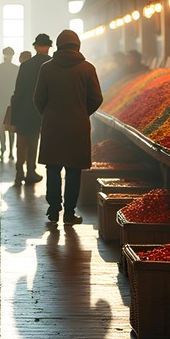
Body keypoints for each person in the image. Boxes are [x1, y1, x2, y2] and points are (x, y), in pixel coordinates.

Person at [33, 29, 103, 225]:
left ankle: (54, 209)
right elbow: (97, 98)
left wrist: (48, 115)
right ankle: (70, 213)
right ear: (78, 46)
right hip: (77, 126)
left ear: (58, 46)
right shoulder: (87, 68)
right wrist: (82, 112)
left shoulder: (46, 68)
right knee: (74, 170)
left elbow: (38, 98)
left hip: (52, 125)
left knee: (52, 168)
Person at [10, 33, 52, 186]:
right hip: (42, 111)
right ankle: (31, 172)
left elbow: (18, 92)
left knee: (21, 143)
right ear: (48, 47)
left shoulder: (26, 66)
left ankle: (19, 172)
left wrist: (14, 117)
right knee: (34, 142)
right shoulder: (52, 64)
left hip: (23, 110)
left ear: (35, 46)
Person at [0, 46, 19, 161]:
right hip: (12, 102)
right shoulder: (16, 69)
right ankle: (11, 151)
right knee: (11, 128)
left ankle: (3, 149)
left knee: (1, 127)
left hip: (1, 102)